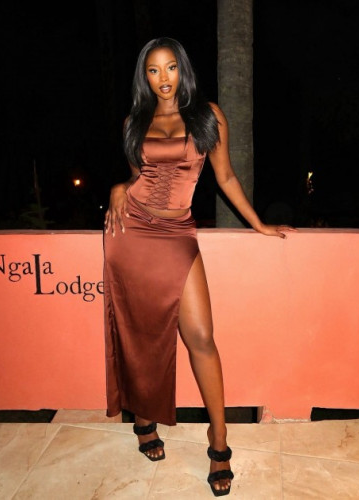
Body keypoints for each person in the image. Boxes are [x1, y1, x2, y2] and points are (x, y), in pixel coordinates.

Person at [104, 37, 295, 497]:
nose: (163, 78)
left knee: (202, 338)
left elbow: (224, 175)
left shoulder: (207, 116)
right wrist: (118, 187)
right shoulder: (134, 121)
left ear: (182, 69)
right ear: (144, 76)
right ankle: (144, 420)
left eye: (170, 67)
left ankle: (219, 437)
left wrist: (258, 224)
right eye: (153, 70)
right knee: (140, 332)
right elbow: (137, 176)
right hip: (132, 233)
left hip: (177, 235)